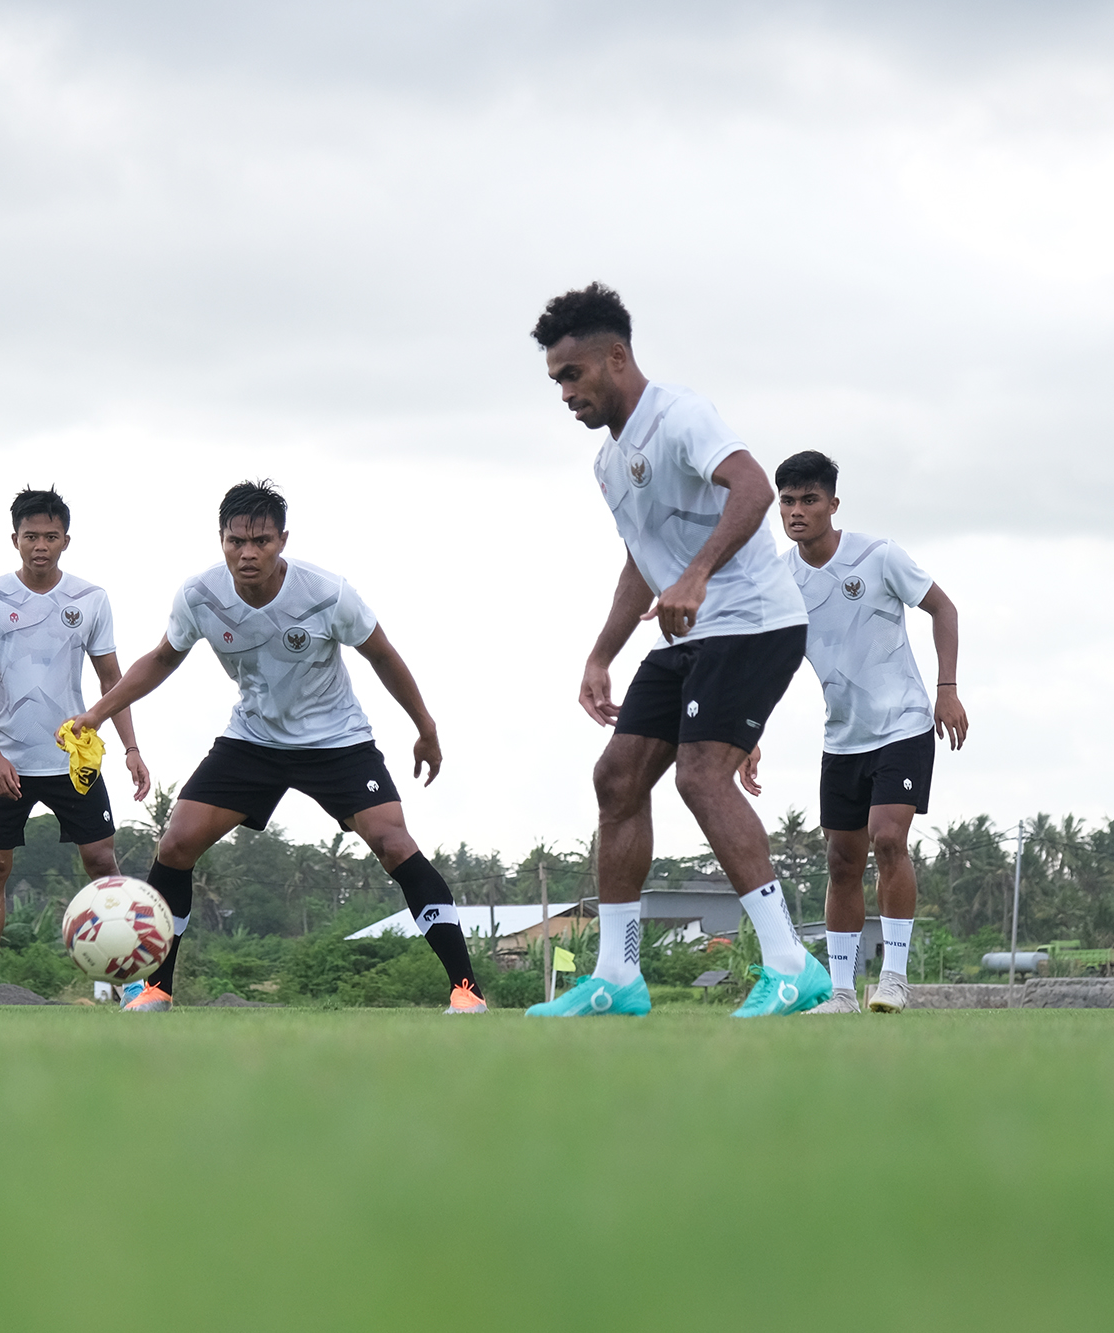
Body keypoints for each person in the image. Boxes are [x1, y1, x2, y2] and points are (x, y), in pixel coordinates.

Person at [69, 481, 488, 1015]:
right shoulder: (200, 596)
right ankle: (157, 990)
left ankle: (466, 992)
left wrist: (425, 726)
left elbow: (383, 655)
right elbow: (161, 659)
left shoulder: (327, 593)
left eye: (261, 541)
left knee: (393, 844)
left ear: (282, 540)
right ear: (220, 539)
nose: (248, 553)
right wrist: (97, 714)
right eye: (235, 541)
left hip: (337, 739)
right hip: (253, 739)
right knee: (175, 844)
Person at [528, 280, 826, 1019]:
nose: (565, 393)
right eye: (556, 380)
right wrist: (600, 654)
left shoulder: (681, 415)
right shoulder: (607, 464)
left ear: (616, 358)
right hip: (689, 631)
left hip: (754, 620)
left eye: (573, 374)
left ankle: (793, 965)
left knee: (700, 776)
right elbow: (643, 560)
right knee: (618, 777)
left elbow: (752, 487)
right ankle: (618, 977)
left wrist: (696, 574)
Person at [738, 451, 968, 1014]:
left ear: (832, 505)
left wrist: (947, 689)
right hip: (842, 736)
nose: (796, 511)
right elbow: (769, 660)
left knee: (888, 838)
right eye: (787, 501)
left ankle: (892, 981)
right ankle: (841, 992)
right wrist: (749, 732)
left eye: (808, 500)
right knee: (842, 861)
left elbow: (944, 608)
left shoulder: (878, 555)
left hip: (904, 724)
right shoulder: (781, 578)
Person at [0, 489, 151, 1008]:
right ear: (14, 539)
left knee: (102, 860)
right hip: (7, 762)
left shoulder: (90, 599)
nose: (40, 546)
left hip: (73, 759)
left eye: (50, 536)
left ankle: (126, 979)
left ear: (66, 540)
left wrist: (131, 747)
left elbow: (114, 681)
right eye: (30, 536)